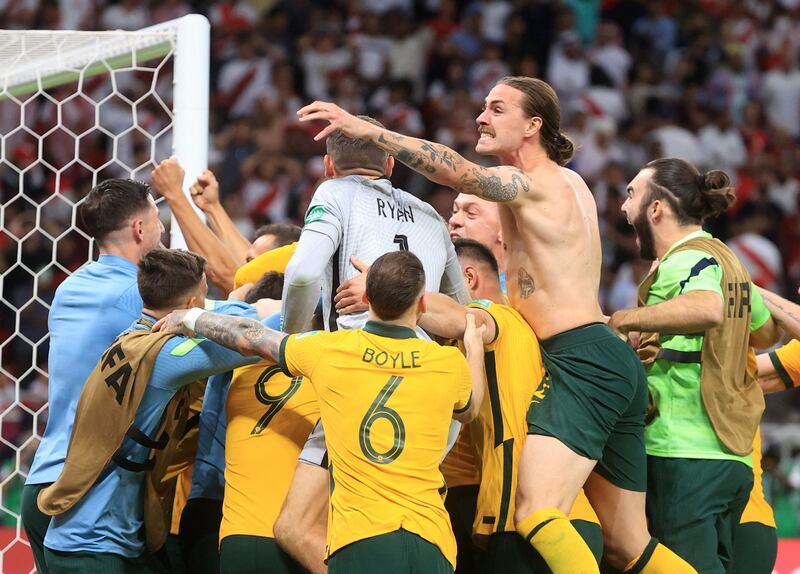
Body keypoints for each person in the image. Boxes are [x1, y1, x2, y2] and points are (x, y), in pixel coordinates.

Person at [297, 76, 692, 572]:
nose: (481, 117)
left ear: (533, 125)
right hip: (601, 355)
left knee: (537, 512)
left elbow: (460, 173)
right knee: (628, 545)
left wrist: (371, 133)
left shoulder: (532, 183)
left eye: (496, 109)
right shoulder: (570, 185)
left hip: (578, 359)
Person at [154, 251, 486, 574]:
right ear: (422, 305)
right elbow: (470, 409)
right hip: (431, 539)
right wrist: (473, 349)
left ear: (366, 298)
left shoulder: (329, 351)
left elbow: (249, 337)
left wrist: (190, 318)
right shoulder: (447, 364)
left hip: (360, 539)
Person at [274, 116, 469, 573]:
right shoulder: (431, 216)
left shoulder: (334, 194)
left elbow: (302, 274)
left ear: (328, 165)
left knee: (298, 526)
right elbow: (463, 310)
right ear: (390, 163)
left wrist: (293, 338)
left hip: (361, 370)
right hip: (428, 386)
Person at [39, 249, 261, 573]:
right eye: (204, 293)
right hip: (94, 545)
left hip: (93, 534)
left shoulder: (132, 334)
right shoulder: (167, 356)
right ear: (190, 305)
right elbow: (254, 338)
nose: (206, 299)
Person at [610, 158, 779, 572]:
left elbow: (708, 307)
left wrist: (624, 319)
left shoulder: (685, 260)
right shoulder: (730, 262)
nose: (623, 207)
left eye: (631, 194)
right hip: (732, 461)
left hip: (683, 449)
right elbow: (766, 332)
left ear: (656, 208)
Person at [419, 238, 602, 572]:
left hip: (519, 520)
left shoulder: (494, 316)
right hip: (576, 514)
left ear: (469, 279)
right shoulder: (540, 330)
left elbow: (462, 319)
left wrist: (389, 291)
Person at [21, 178, 163, 574]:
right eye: (157, 219)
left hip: (43, 481)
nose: (162, 228)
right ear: (138, 228)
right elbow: (205, 316)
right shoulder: (135, 298)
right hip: (86, 494)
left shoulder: (69, 287)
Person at [178, 273, 290, 574]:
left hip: (210, 508)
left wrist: (235, 304)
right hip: (230, 510)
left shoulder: (222, 349)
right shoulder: (272, 348)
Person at [217, 272, 320, 574]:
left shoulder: (233, 368)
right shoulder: (327, 362)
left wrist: (247, 303)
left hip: (238, 536)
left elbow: (229, 317)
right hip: (303, 539)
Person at [153, 159, 300, 293]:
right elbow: (240, 267)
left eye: (254, 263)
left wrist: (174, 193)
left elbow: (226, 275)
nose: (247, 269)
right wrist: (212, 207)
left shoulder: (276, 299)